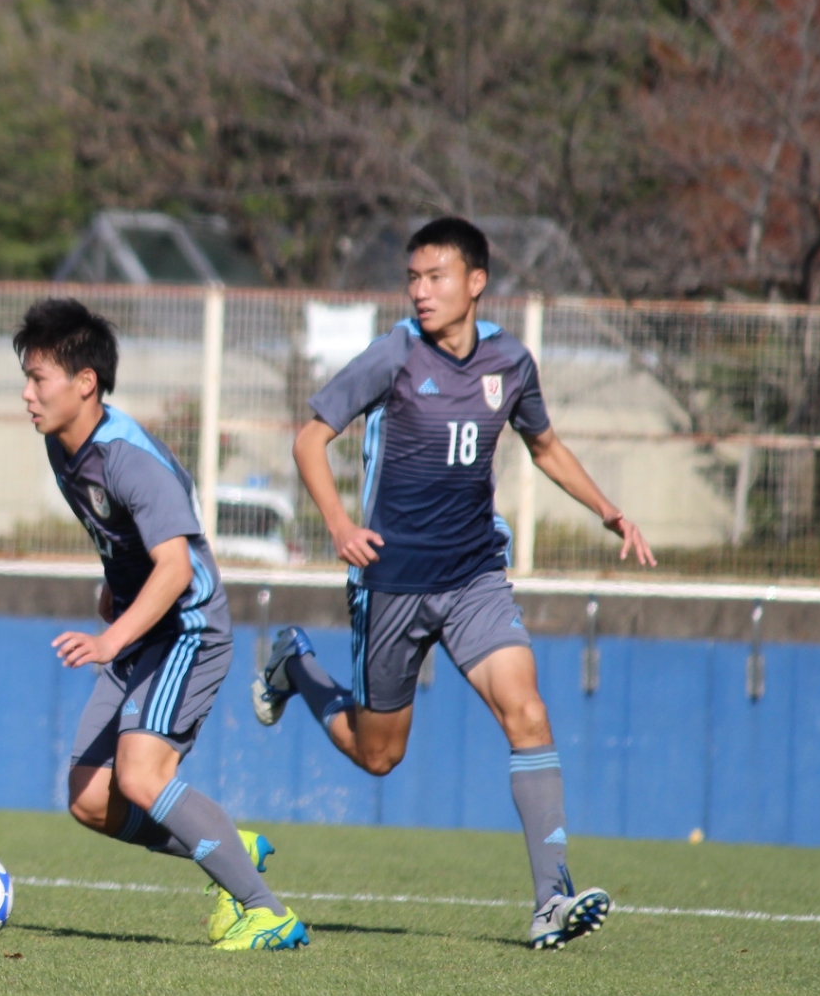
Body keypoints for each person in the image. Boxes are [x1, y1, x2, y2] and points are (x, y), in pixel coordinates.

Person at [253, 216, 656, 949]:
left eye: (435, 276)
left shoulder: (512, 360)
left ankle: (551, 900)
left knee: (527, 711)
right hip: (392, 581)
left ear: (476, 282)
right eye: (412, 277)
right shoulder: (394, 355)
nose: (420, 290)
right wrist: (339, 524)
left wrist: (608, 510)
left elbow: (544, 445)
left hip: (475, 575)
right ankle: (296, 665)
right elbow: (310, 438)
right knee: (378, 755)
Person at [18, 297, 308, 951]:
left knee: (142, 775)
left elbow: (175, 569)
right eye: (27, 378)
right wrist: (113, 588)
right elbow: (122, 535)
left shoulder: (127, 457)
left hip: (186, 630)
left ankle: (266, 911)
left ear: (84, 382)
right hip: (142, 627)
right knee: (90, 798)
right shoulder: (63, 447)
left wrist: (109, 639)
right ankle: (229, 846)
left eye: (38, 378)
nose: (27, 394)